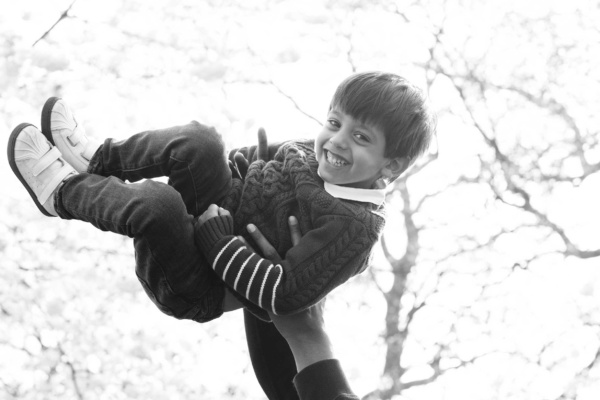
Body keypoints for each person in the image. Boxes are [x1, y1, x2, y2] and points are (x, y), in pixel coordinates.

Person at [8, 71, 434, 325]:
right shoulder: (315, 150)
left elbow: (283, 293)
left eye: (360, 137)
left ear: (390, 166)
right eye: (334, 122)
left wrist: (217, 242)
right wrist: (246, 166)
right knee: (200, 140)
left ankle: (62, 192)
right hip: (220, 207)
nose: (337, 141)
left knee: (159, 205)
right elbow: (259, 158)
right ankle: (99, 161)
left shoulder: (353, 229)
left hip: (202, 282)